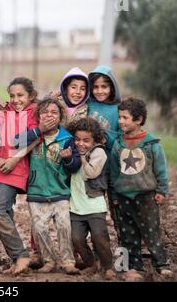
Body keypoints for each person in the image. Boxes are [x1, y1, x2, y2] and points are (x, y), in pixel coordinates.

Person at [110, 98, 173, 281]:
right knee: (127, 233)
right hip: (123, 197)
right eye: (119, 117)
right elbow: (114, 171)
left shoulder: (152, 144)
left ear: (138, 120)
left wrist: (161, 191)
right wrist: (114, 194)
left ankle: (161, 264)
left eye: (125, 117)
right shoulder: (118, 144)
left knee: (151, 232)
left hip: (146, 196)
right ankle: (133, 266)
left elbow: (161, 169)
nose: (120, 121)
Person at [0, 77, 39, 275]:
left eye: (20, 95)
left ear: (30, 96)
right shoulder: (3, 112)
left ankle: (21, 254)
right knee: (5, 212)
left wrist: (15, 159)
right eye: (12, 95)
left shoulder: (33, 113)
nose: (16, 99)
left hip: (15, 167)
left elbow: (35, 139)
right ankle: (16, 260)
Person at [20, 97, 81, 274]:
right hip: (36, 191)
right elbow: (16, 142)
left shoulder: (67, 139)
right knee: (39, 229)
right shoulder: (33, 135)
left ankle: (68, 261)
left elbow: (75, 165)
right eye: (45, 112)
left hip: (60, 191)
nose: (49, 115)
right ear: (38, 116)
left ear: (61, 116)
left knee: (64, 227)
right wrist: (38, 130)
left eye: (54, 112)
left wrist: (68, 158)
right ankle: (48, 260)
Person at [67, 117, 116, 280]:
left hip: (94, 205)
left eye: (86, 140)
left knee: (99, 238)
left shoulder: (99, 152)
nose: (81, 144)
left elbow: (90, 173)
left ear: (95, 141)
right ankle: (91, 263)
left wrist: (80, 155)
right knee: (77, 239)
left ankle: (108, 265)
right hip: (76, 206)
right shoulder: (73, 153)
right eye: (77, 140)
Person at [88, 66, 122, 243]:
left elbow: (121, 138)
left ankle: (127, 250)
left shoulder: (118, 109)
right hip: (92, 167)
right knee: (94, 209)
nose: (100, 91)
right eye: (95, 87)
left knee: (117, 208)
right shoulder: (88, 105)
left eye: (104, 86)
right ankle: (98, 249)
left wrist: (104, 137)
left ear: (112, 87)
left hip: (113, 165)